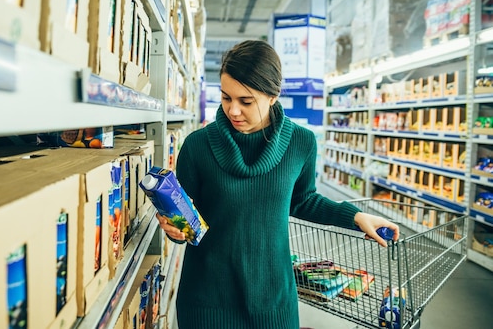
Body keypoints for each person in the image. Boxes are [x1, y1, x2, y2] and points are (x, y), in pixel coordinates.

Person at [156, 40, 399, 329]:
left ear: (273, 95)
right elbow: (183, 220)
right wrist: (174, 230)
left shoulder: (301, 143)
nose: (233, 111)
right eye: (225, 98)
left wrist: (355, 216)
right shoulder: (197, 146)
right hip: (207, 300)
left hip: (273, 300)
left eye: (246, 101)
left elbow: (302, 200)